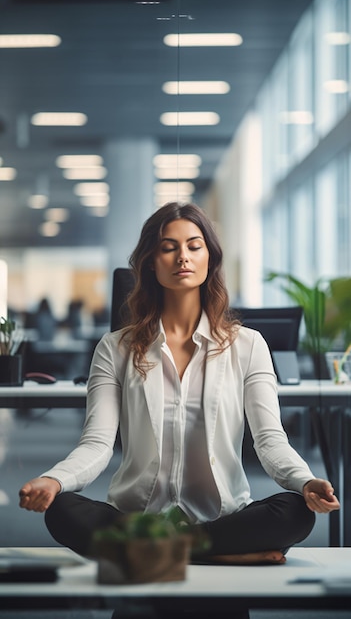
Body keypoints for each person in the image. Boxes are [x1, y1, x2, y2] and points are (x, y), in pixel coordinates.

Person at [19, 202, 339, 568]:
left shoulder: (248, 345)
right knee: (61, 510)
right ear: (151, 262)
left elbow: (269, 441)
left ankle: (169, 551)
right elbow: (97, 444)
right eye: (168, 247)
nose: (182, 257)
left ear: (209, 258)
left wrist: (305, 481)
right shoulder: (115, 348)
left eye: (193, 245)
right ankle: (215, 554)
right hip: (136, 521)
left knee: (296, 511)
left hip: (221, 520)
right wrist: (54, 480)